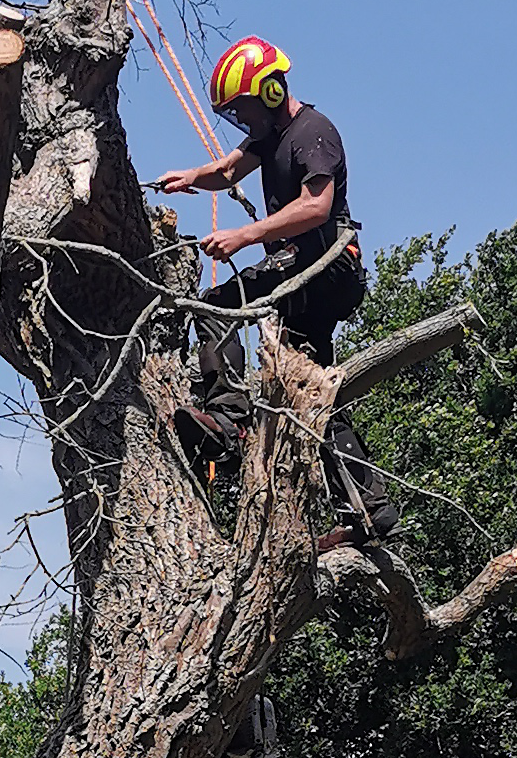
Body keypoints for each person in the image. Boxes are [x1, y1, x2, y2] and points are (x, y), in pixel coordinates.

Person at [157, 36, 400, 548]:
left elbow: (316, 207)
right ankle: (370, 509)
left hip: (324, 266)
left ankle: (226, 419)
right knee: (307, 388)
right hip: (307, 270)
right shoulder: (270, 135)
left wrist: (244, 235)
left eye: (244, 109)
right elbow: (226, 172)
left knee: (218, 305)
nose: (243, 122)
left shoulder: (313, 132)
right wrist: (188, 178)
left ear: (269, 93)